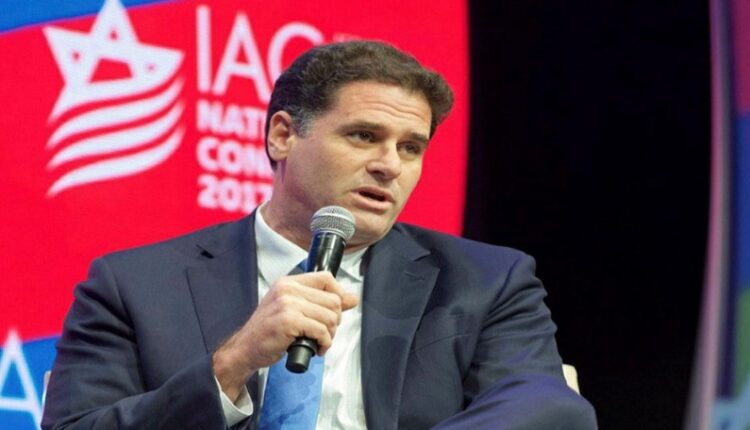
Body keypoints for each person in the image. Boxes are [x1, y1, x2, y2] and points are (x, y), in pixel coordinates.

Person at [42, 41, 597, 429]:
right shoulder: (133, 285)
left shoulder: (487, 280)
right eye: (364, 136)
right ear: (282, 136)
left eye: (411, 147)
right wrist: (234, 361)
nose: (390, 165)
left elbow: (548, 408)